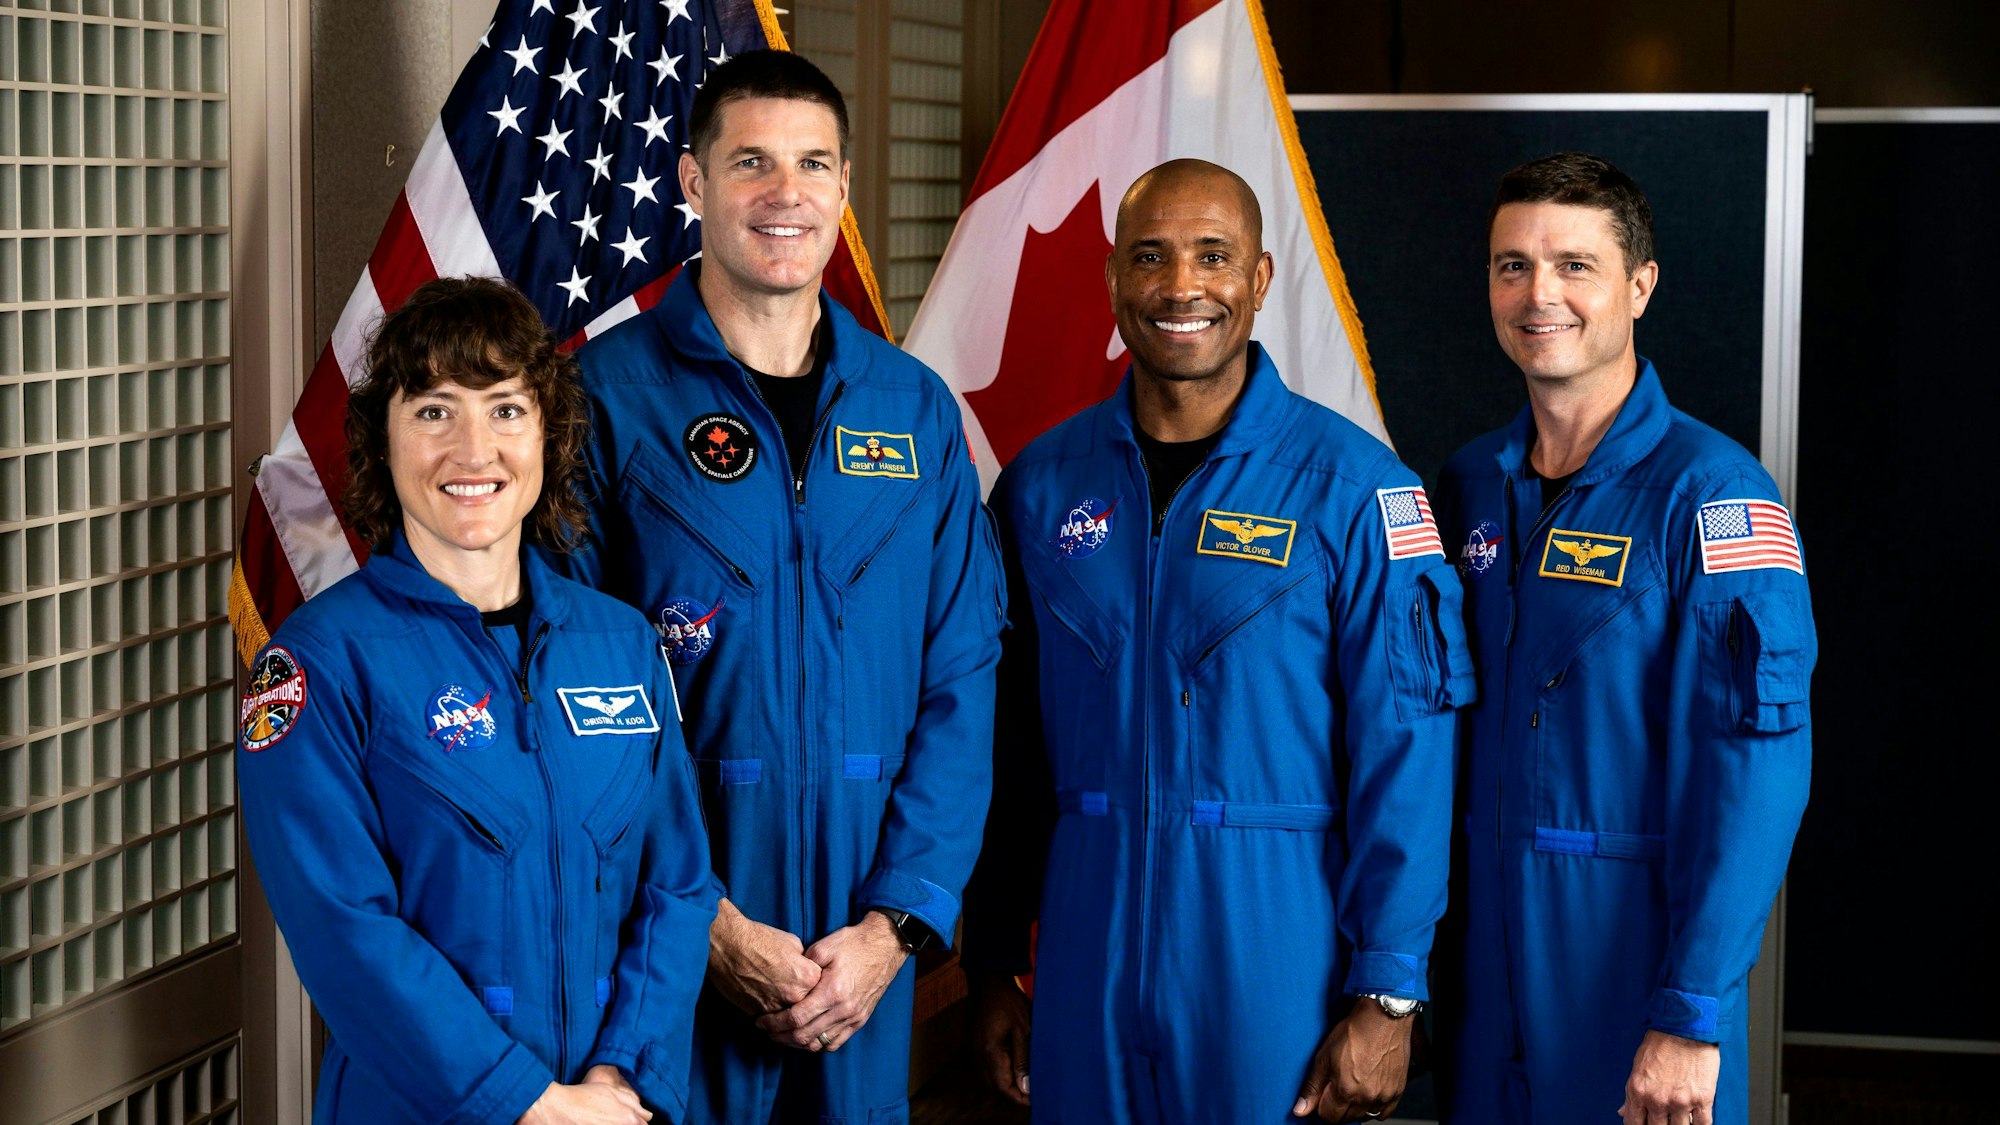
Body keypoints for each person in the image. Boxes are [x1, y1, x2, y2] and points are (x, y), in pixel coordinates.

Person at [963, 159, 1474, 1124]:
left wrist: (1391, 990)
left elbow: (1408, 759)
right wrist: (994, 958)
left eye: (1213, 256)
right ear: (1113, 278)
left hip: (1275, 947)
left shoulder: (1357, 490)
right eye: (1150, 258)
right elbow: (1006, 751)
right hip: (1086, 940)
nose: (1181, 286)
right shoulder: (1039, 488)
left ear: (1262, 279)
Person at [559, 51, 1005, 1123]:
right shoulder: (601, 400)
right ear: (692, 182)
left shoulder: (912, 411)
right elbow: (563, 690)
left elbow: (962, 676)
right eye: (749, 160)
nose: (784, 192)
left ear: (843, 187)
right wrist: (701, 923)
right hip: (669, 913)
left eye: (811, 163)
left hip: (861, 925)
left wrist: (894, 925)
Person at [237, 277, 719, 1125]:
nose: (474, 449)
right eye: (433, 411)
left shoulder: (622, 644)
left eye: (505, 409)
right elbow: (349, 933)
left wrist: (617, 1078)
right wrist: (531, 1103)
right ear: (381, 441)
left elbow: (677, 883)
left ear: (548, 434)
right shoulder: (316, 665)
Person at [1432, 153, 1816, 1125]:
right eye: (1509, 265)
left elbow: (1756, 774)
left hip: (1631, 975)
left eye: (1573, 265)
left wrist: (1689, 1012)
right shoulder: (1467, 486)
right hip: (1482, 979)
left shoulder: (1717, 498)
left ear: (1638, 286)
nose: (1536, 295)